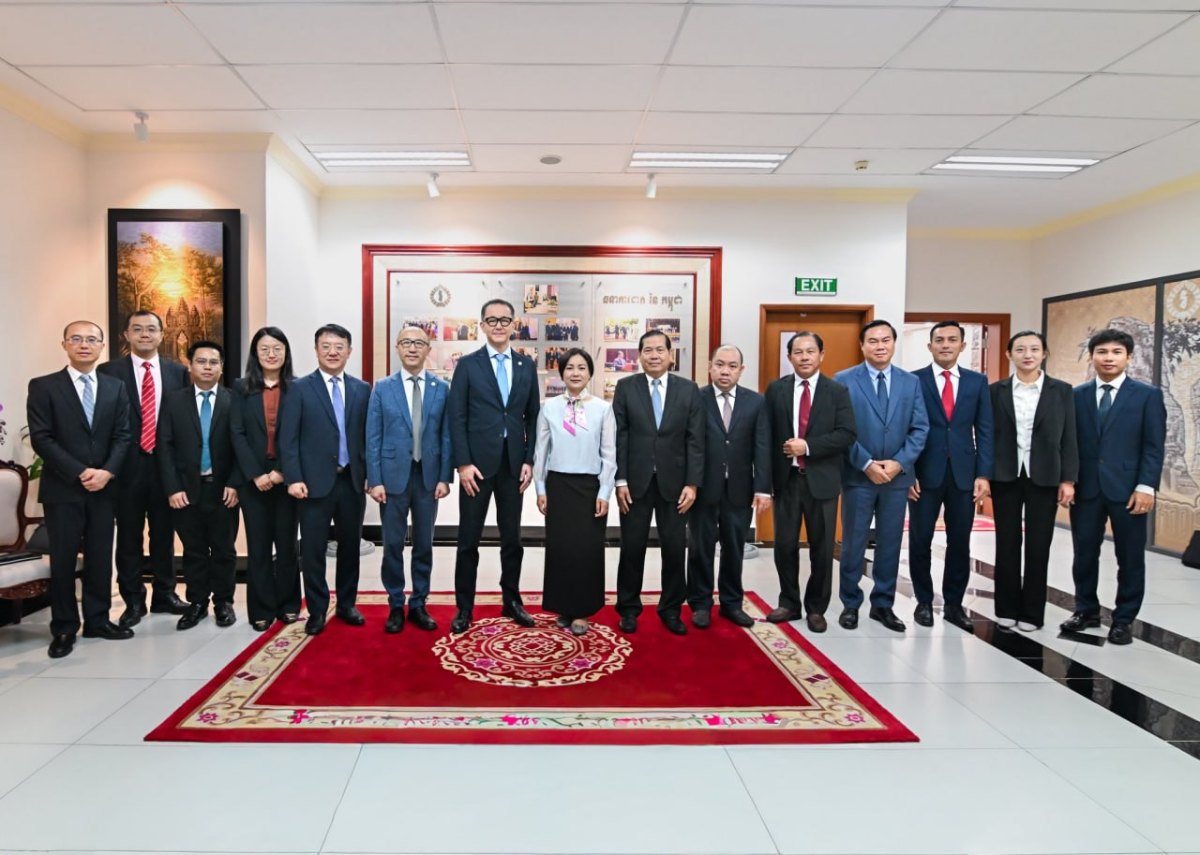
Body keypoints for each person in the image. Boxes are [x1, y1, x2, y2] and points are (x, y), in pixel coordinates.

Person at [27, 321, 134, 658]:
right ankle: (64, 627)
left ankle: (98, 620)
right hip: (63, 488)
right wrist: (80, 472)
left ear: (102, 346)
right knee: (63, 559)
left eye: (91, 339)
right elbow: (42, 437)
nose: (84, 344)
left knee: (100, 557)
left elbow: (123, 435)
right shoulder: (44, 386)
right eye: (76, 339)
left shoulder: (115, 387)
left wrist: (106, 472)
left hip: (103, 487)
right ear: (64, 345)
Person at [1062, 328, 1166, 645]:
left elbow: (1153, 446)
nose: (1109, 358)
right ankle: (1086, 611)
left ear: (1128, 357)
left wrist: (1146, 486)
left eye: (1116, 352)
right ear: (1092, 356)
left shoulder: (1147, 396)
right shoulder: (1076, 396)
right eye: (1102, 352)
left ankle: (1123, 620)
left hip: (1129, 490)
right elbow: (1069, 444)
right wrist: (1068, 480)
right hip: (1087, 489)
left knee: (1130, 558)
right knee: (1084, 554)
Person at [447, 299, 540, 634]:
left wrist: (529, 459)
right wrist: (462, 464)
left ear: (514, 324)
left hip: (513, 465)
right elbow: (456, 417)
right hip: (476, 467)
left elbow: (533, 416)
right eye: (492, 320)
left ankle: (511, 600)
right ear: (482, 325)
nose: (499, 325)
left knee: (512, 538)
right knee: (468, 540)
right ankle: (464, 607)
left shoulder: (526, 365)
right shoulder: (467, 365)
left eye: (504, 320)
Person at [835, 320, 929, 633]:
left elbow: (920, 428)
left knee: (890, 542)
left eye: (885, 340)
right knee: (854, 542)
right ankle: (850, 603)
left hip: (896, 479)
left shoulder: (910, 382)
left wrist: (899, 463)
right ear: (862, 346)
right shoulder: (844, 380)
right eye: (873, 341)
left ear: (893, 344)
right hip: (858, 476)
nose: (880, 346)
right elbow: (840, 429)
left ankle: (883, 605)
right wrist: (866, 464)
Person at [98, 309, 190, 627]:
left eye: (151, 329)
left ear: (162, 334)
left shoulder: (178, 372)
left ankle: (165, 594)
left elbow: (182, 422)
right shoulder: (109, 372)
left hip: (165, 467)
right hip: (126, 467)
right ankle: (133, 600)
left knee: (164, 535)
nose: (145, 334)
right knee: (129, 537)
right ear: (126, 335)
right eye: (137, 329)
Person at [278, 323, 370, 636]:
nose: (333, 352)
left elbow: (367, 437)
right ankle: (317, 610)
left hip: (351, 482)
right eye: (326, 346)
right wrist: (293, 478)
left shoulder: (362, 389)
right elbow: (288, 439)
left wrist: (370, 476)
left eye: (339, 346)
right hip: (312, 484)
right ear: (316, 350)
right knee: (313, 550)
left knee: (350, 548)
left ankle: (347, 604)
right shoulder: (299, 389)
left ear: (349, 351)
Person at [613, 329, 705, 635]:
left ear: (670, 354)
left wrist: (692, 483)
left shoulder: (688, 389)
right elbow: (620, 436)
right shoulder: (626, 387)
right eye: (647, 350)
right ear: (639, 355)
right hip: (634, 483)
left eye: (659, 350)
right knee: (632, 547)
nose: (654, 355)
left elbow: (695, 440)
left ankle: (671, 609)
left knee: (675, 549)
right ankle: (628, 608)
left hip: (676, 484)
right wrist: (620, 479)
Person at [763, 332, 857, 632]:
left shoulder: (837, 391)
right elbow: (766, 435)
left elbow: (847, 434)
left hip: (823, 481)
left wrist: (808, 446)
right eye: (798, 352)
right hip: (786, 480)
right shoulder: (776, 390)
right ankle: (789, 602)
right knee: (784, 545)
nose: (804, 357)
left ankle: (816, 608)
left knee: (822, 547)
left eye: (810, 351)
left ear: (821, 355)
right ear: (789, 357)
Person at [908, 321, 994, 633]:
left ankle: (955, 604)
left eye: (952, 340)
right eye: (940, 340)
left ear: (962, 346)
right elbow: (906, 428)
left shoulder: (977, 382)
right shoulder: (914, 380)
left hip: (963, 474)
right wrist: (908, 472)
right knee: (920, 539)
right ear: (929, 346)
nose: (945, 345)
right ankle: (923, 601)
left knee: (960, 541)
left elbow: (985, 429)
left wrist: (983, 473)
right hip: (923, 473)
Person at [366, 327, 452, 634]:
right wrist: (374, 479)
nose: (412, 348)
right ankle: (394, 603)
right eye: (406, 343)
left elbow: (446, 436)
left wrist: (445, 477)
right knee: (392, 544)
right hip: (392, 478)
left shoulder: (442, 388)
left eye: (418, 343)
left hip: (428, 477)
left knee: (424, 544)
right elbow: (372, 437)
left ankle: (418, 603)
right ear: (397, 348)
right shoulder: (382, 387)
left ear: (428, 348)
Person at [990, 331, 1077, 631]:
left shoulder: (1061, 391)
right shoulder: (996, 391)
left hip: (1045, 476)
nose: (1027, 354)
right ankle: (1006, 607)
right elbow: (988, 436)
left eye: (1034, 349)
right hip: (1005, 475)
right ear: (1009, 354)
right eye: (1020, 349)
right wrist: (984, 475)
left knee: (1039, 545)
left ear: (1044, 353)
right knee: (1006, 543)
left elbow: (1070, 437)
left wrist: (1068, 479)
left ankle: (1031, 613)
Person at [686, 345, 772, 628]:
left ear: (741, 370)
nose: (725, 371)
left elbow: (762, 446)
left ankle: (731, 604)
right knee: (700, 548)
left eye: (732, 366)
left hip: (739, 488)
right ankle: (700, 603)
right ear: (710, 366)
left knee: (734, 548)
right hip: (703, 488)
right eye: (720, 364)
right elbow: (689, 444)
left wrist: (763, 488)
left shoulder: (755, 402)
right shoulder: (695, 398)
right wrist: (689, 483)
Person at [157, 341, 240, 630]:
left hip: (223, 489)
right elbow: (164, 446)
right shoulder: (173, 401)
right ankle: (197, 603)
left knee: (224, 550)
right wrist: (172, 488)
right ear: (189, 365)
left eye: (213, 362)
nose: (207, 367)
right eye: (201, 361)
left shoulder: (234, 400)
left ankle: (224, 602)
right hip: (185, 490)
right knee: (193, 551)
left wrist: (235, 483)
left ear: (221, 367)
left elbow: (242, 446)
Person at [533, 348, 616, 635]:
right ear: (562, 373)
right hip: (558, 485)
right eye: (570, 367)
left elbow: (609, 454)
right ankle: (564, 606)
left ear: (590, 373)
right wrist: (540, 487)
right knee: (561, 548)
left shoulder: (603, 409)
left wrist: (604, 492)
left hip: (589, 487)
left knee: (586, 549)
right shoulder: (549, 407)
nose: (576, 373)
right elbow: (541, 450)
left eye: (581, 367)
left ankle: (582, 610)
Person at [230, 327, 301, 633]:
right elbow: (237, 433)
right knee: (258, 547)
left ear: (286, 352)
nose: (271, 354)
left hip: (288, 478)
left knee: (287, 545)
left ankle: (288, 603)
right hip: (253, 479)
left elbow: (301, 433)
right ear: (255, 354)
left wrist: (281, 472)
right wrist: (255, 474)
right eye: (264, 349)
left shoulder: (297, 388)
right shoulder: (241, 388)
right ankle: (260, 608)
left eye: (277, 348)